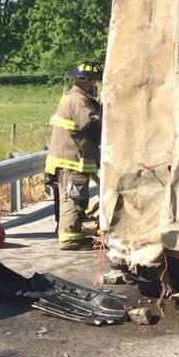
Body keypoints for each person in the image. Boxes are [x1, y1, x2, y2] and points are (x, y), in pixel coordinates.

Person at [45, 62, 103, 250]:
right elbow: (92, 125)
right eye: (95, 83)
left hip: (71, 159)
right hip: (72, 161)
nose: (96, 87)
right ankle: (70, 240)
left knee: (73, 198)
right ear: (87, 81)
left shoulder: (74, 97)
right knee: (74, 199)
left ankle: (72, 235)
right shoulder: (78, 100)